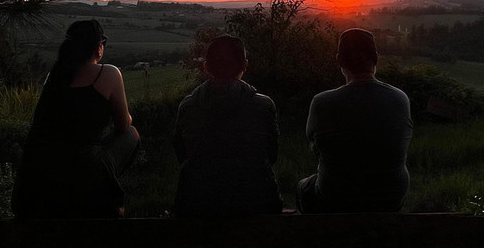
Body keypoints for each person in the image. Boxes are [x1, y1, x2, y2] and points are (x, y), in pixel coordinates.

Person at [12, 19, 139, 219]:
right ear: (98, 47)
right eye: (102, 43)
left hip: (33, 179)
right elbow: (123, 125)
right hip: (82, 174)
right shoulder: (109, 73)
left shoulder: (53, 77)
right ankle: (107, 196)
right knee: (131, 134)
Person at [298, 28, 412, 213]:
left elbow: (316, 148)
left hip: (335, 197)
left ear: (339, 60)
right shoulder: (400, 99)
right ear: (375, 57)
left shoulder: (322, 102)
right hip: (389, 198)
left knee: (303, 187)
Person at [173, 35, 283, 217]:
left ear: (206, 67)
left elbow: (182, 155)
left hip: (196, 206)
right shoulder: (264, 106)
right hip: (258, 205)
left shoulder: (187, 107)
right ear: (244, 66)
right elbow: (271, 155)